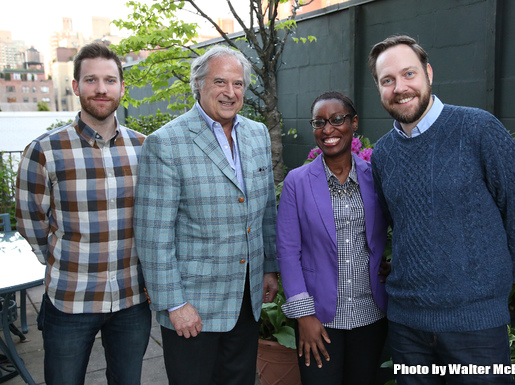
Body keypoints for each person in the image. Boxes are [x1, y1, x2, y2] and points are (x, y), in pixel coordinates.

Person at [368, 35, 515, 385]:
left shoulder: (478, 128)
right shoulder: (383, 154)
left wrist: (491, 285)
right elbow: (399, 224)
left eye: (409, 74)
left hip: (475, 325)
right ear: (379, 88)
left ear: (428, 73)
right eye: (388, 80)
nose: (400, 87)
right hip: (407, 327)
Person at [133, 45, 279, 385]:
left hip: (246, 299)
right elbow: (154, 234)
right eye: (220, 82)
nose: (230, 93)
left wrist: (269, 267)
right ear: (198, 85)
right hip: (192, 309)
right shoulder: (165, 143)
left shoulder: (257, 134)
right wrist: (174, 303)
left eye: (238, 84)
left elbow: (265, 209)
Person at [15, 42, 151, 385]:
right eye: (91, 80)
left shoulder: (145, 148)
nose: (101, 89)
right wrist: (63, 260)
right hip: (69, 299)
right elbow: (32, 222)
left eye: (110, 80)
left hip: (132, 300)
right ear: (75, 86)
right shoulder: (44, 150)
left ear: (122, 87)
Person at [277, 91, 389, 385]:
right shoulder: (297, 182)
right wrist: (304, 317)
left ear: (353, 123)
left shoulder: (375, 175)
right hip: (320, 318)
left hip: (371, 314)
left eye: (337, 120)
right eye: (319, 122)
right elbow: (288, 252)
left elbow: (398, 224)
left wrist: (393, 263)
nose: (328, 130)